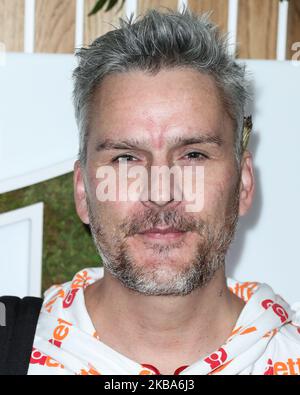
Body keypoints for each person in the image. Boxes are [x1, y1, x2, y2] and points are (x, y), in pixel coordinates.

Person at [28, 7, 300, 375]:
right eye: (126, 158)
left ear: (244, 184)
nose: (160, 192)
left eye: (192, 155)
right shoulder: (13, 347)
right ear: (82, 192)